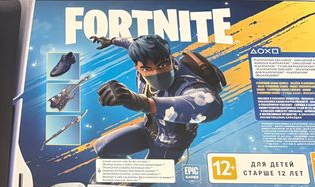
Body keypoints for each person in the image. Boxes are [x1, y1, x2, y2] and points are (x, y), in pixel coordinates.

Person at [89, 34, 224, 165]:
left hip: (170, 145)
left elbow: (210, 105)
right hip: (149, 128)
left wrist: (142, 103)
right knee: (102, 147)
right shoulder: (142, 57)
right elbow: (130, 43)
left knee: (143, 179)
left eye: (162, 65)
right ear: (137, 67)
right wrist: (112, 40)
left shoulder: (186, 82)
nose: (156, 73)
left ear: (171, 59)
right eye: (147, 69)